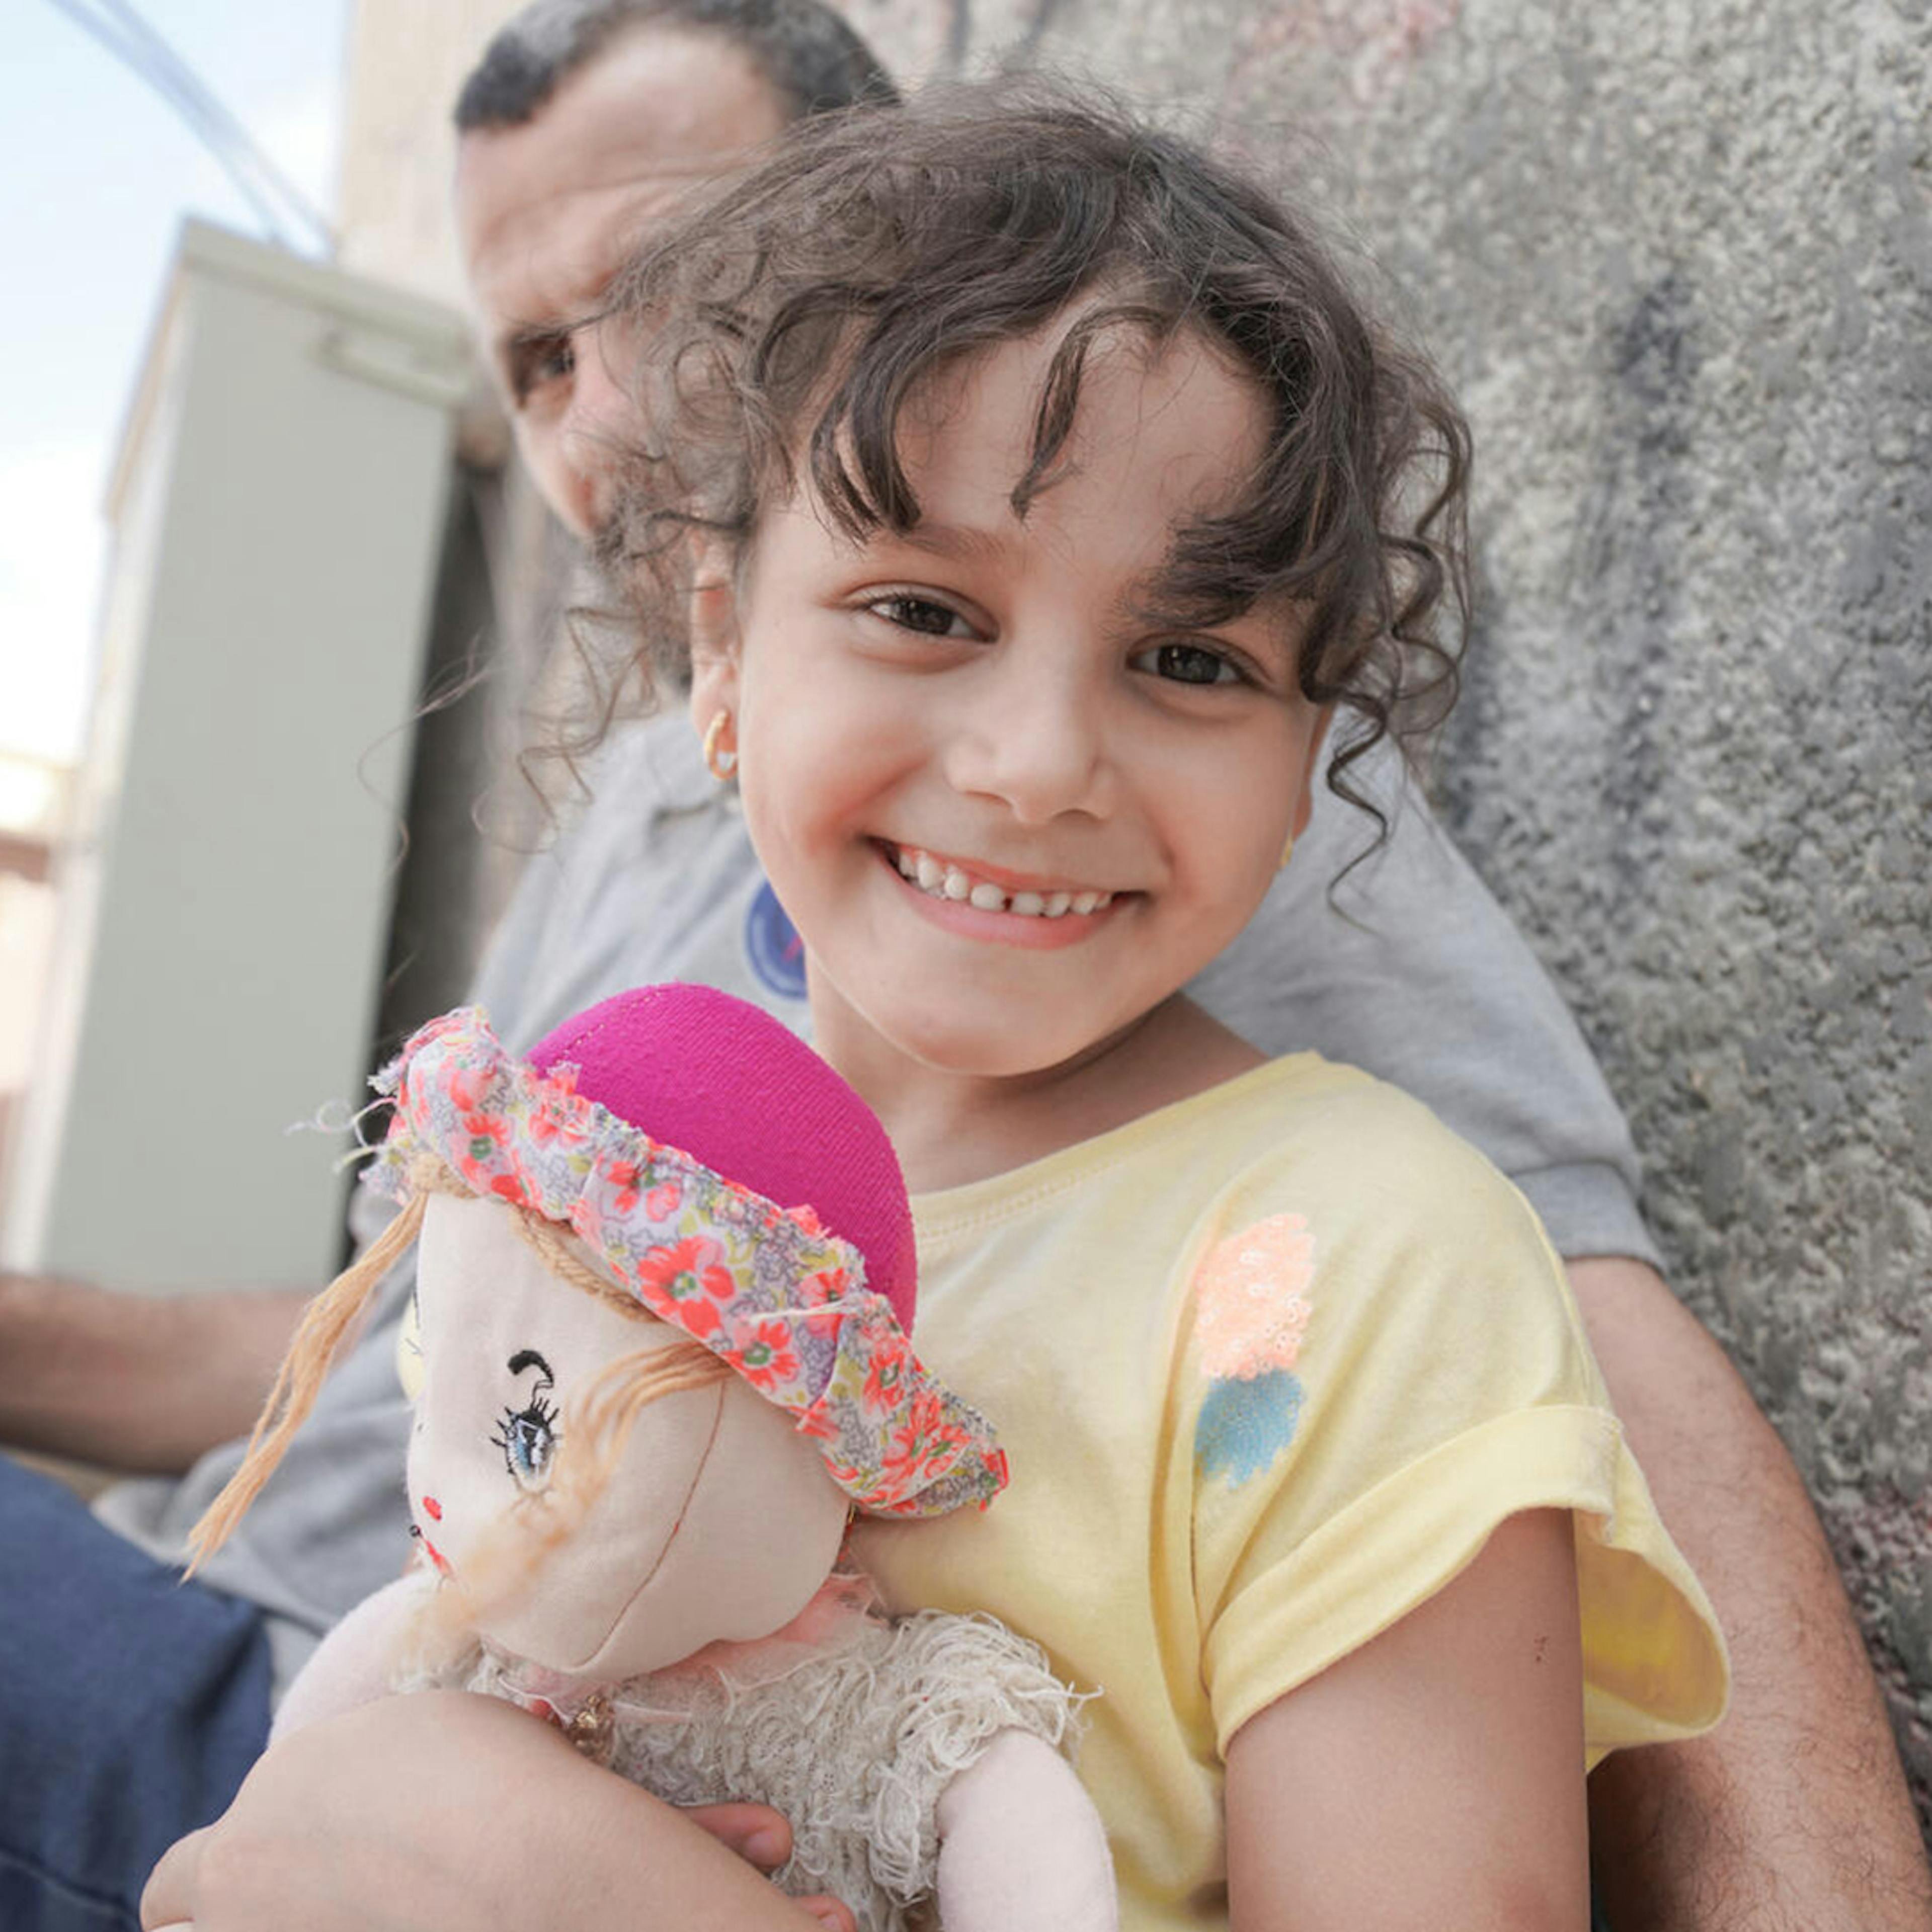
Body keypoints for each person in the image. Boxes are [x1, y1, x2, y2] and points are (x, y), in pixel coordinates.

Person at [0, 7, 1919, 1931]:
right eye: (922, 612)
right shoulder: (609, 1163)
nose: (1037, 763)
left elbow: (1601, 1335)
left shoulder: (1362, 1278)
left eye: (1195, 660)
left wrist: (559, 1878)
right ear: (722, 656)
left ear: (1316, 758)